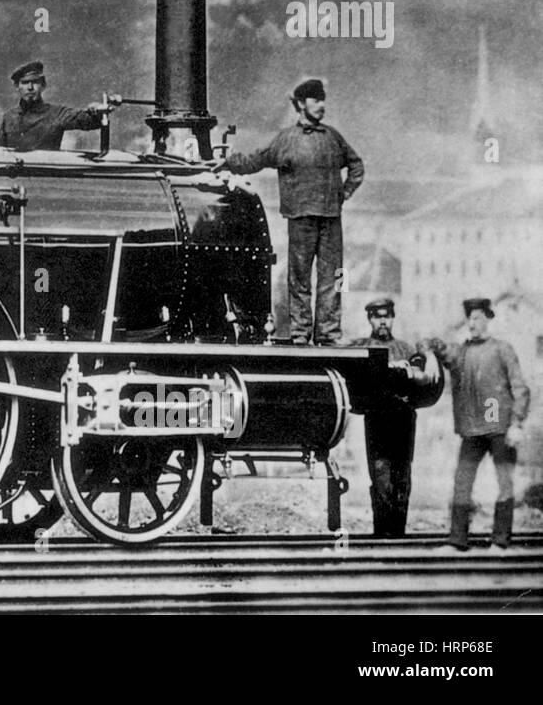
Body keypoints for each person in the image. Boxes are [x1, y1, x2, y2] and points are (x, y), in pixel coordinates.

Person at [215, 78, 363, 345]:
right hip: (299, 219)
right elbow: (254, 160)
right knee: (299, 279)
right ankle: (300, 335)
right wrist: (228, 162)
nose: (322, 106)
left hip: (331, 220)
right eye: (316, 100)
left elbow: (357, 166)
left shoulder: (333, 138)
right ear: (300, 104)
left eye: (323, 100)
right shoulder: (286, 140)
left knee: (338, 277)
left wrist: (345, 194)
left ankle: (329, 335)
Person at [426, 298, 530, 551]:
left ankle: (500, 541)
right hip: (471, 430)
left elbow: (520, 388)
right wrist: (430, 351)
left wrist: (517, 423)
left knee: (504, 482)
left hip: (500, 429)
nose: (472, 324)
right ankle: (457, 540)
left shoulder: (502, 349)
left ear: (488, 319)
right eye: (469, 319)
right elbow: (437, 347)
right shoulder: (461, 352)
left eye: (477, 318)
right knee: (462, 482)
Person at [344, 297, 429, 537]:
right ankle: (382, 534)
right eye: (377, 317)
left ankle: (398, 534)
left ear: (392, 319)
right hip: (377, 421)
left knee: (402, 477)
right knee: (381, 477)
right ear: (370, 319)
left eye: (387, 317)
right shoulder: (363, 347)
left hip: (403, 420)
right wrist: (388, 366)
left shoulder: (407, 348)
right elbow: (345, 357)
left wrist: (409, 369)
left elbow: (422, 374)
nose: (383, 321)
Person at [0, 61, 121, 151]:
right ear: (17, 87)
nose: (30, 87)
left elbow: (85, 120)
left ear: (43, 86)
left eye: (35, 82)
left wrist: (96, 112)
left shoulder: (56, 114)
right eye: (24, 83)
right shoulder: (9, 117)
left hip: (46, 179)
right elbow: (0, 154)